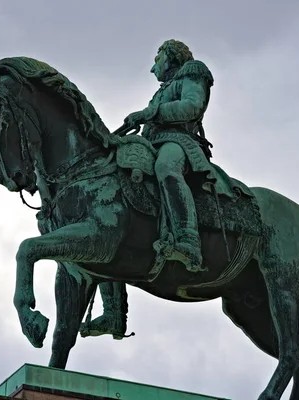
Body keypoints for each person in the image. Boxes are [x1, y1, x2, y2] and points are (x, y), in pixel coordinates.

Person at [80, 39, 215, 338]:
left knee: (167, 170)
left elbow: (192, 107)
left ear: (171, 57)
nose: (153, 65)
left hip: (178, 143)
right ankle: (113, 313)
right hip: (151, 144)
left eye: (157, 58)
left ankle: (188, 240)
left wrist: (147, 114)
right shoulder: (162, 90)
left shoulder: (193, 73)